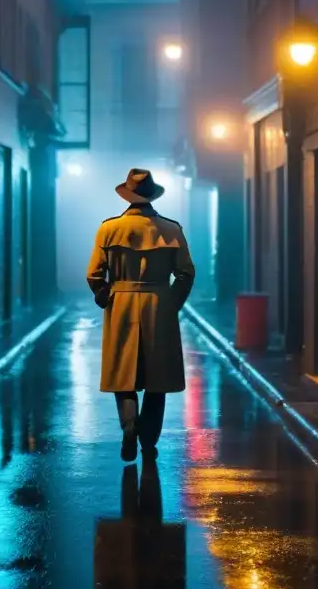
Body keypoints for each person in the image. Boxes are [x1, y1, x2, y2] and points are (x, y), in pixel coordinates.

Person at [86, 169, 195, 462]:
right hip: (159, 303)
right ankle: (148, 440)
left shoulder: (108, 229)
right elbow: (186, 273)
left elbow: (94, 273)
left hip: (121, 302)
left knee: (123, 374)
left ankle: (129, 428)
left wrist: (105, 295)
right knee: (157, 377)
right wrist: (171, 302)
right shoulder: (171, 229)